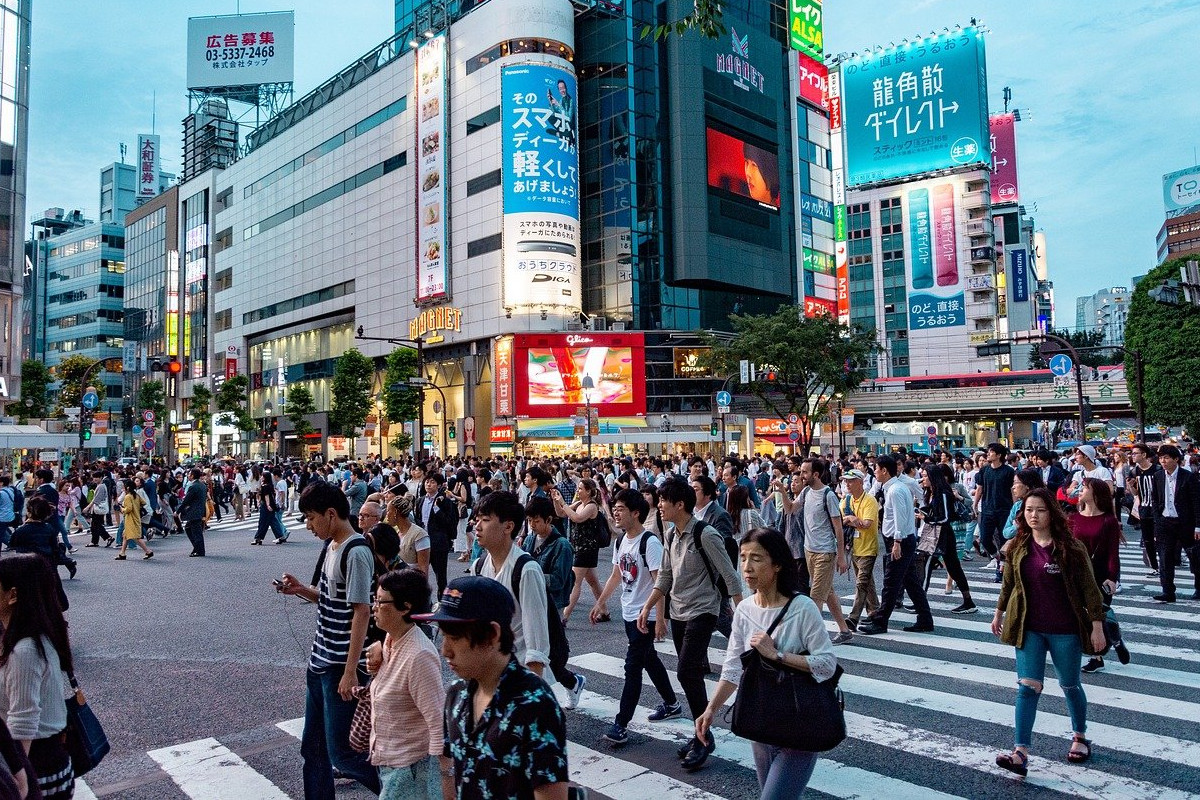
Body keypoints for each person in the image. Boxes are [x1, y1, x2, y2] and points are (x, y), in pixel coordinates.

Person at [695, 528, 836, 799]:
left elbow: (827, 664)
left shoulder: (802, 608)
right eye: (743, 558)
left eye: (756, 558)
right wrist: (711, 710)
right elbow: (733, 668)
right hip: (762, 721)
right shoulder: (745, 610)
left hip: (800, 724)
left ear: (777, 564)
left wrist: (776, 655)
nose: (747, 567)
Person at [413, 576, 571, 800]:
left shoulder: (535, 704)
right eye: (444, 636)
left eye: (455, 638)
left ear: (492, 635)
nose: (445, 650)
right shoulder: (456, 693)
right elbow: (450, 763)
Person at [276, 481, 381, 798]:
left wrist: (350, 672)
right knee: (313, 749)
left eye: (311, 518)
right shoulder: (332, 546)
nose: (309, 526)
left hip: (339, 666)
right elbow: (330, 598)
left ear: (331, 514)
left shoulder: (356, 551)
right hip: (319, 661)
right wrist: (301, 590)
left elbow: (361, 611)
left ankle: (399, 791)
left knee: (343, 753)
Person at [992, 488, 1106, 777]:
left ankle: (1080, 736)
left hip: (1065, 629)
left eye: (1040, 510)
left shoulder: (1071, 547)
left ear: (1052, 513)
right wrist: (999, 612)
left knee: (1070, 685)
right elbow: (1009, 583)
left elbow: (1090, 588)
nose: (1034, 515)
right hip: (1029, 627)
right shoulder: (1018, 545)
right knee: (1027, 687)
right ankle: (1020, 752)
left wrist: (1097, 626)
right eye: (1029, 510)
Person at [637, 479, 743, 772]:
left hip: (703, 609)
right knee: (689, 675)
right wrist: (648, 607)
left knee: (686, 671)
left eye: (663, 501)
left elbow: (729, 575)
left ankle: (703, 737)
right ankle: (701, 733)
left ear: (680, 504)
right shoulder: (671, 534)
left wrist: (744, 613)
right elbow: (665, 577)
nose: (659, 505)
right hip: (679, 611)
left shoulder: (705, 534)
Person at [470, 490, 587, 710]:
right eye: (477, 519)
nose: (477, 526)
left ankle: (571, 684)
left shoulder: (526, 570)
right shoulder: (479, 566)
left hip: (519, 671)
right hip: (493, 669)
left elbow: (537, 642)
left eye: (485, 520)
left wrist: (531, 702)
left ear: (508, 526)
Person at [591, 489, 679, 745]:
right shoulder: (621, 541)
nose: (615, 513)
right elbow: (616, 575)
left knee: (633, 667)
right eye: (615, 509)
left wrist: (660, 619)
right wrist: (600, 602)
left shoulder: (649, 543)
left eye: (620, 509)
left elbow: (660, 583)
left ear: (636, 513)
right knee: (649, 659)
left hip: (645, 615)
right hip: (629, 612)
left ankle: (621, 724)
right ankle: (672, 704)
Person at [363, 569, 444, 800]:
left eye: (381, 602)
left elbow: (437, 721)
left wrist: (441, 778)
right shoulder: (391, 639)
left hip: (411, 769)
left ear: (405, 607)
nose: (374, 607)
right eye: (374, 599)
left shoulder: (419, 655)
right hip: (390, 761)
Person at [0, 554, 75, 799]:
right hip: (41, 759)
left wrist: (18, 780)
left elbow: (23, 720)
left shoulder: (25, 650)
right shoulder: (29, 636)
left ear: (12, 595)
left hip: (36, 768)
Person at [858, 455, 933, 635]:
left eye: (876, 469)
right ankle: (925, 619)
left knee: (891, 582)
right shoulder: (892, 488)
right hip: (901, 540)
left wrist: (897, 542)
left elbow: (900, 517)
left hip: (900, 540)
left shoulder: (895, 490)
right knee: (911, 582)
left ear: (884, 470)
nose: (874, 472)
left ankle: (881, 621)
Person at [1072, 478, 1127, 673]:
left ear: (1096, 493)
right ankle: (1113, 637)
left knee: (1097, 613)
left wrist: (1112, 577)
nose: (1080, 490)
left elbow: (1113, 553)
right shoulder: (1073, 518)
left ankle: (1098, 656)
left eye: (1085, 487)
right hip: (1078, 574)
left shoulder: (1108, 520)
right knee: (1082, 614)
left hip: (1101, 574)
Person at [918, 465, 974, 614]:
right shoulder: (932, 492)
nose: (923, 479)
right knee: (953, 567)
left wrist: (927, 518)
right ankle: (968, 601)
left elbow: (945, 518)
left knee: (928, 565)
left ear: (933, 478)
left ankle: (920, 602)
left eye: (925, 476)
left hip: (942, 534)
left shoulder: (942, 493)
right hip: (939, 533)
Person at [1149, 444, 1200, 603]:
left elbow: (1197, 502)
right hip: (1165, 522)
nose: (1163, 461)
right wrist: (1158, 521)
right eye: (1161, 458)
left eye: (1166, 458)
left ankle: (1199, 587)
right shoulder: (1158, 476)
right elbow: (1155, 499)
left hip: (1185, 523)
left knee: (1195, 556)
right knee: (1165, 558)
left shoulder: (1188, 477)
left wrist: (1198, 526)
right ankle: (1168, 591)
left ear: (1176, 459)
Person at [552, 478, 605, 626]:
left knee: (575, 581)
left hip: (587, 549)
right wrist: (556, 500)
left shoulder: (591, 506)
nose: (578, 491)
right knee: (593, 581)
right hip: (578, 548)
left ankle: (564, 617)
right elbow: (561, 514)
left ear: (588, 491)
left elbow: (577, 518)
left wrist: (563, 502)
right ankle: (604, 611)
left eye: (580, 488)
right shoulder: (579, 504)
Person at [840, 469, 879, 630]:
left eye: (851, 481)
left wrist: (850, 520)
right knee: (867, 582)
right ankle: (874, 611)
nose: (847, 484)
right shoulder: (846, 500)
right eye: (846, 481)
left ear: (860, 482)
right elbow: (840, 521)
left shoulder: (870, 500)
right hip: (854, 547)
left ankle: (853, 617)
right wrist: (852, 518)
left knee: (861, 583)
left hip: (868, 548)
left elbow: (867, 524)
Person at [522, 496, 575, 616]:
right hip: (531, 599)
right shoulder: (529, 539)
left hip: (552, 603)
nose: (532, 525)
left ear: (548, 520)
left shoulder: (562, 546)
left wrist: (531, 575)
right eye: (529, 520)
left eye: (536, 521)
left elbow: (558, 581)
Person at [974, 443, 1015, 569]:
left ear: (999, 455)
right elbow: (980, 489)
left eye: (991, 452)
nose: (988, 454)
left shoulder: (1008, 471)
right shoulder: (984, 470)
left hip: (1004, 509)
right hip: (987, 509)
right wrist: (975, 504)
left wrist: (1015, 508)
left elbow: (1012, 490)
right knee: (984, 538)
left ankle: (1003, 563)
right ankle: (996, 556)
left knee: (1004, 537)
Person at [416, 473, 458, 594]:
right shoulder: (420, 501)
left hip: (438, 542)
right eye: (427, 482)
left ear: (439, 485)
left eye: (432, 482)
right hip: (422, 542)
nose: (429, 484)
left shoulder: (445, 502)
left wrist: (436, 508)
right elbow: (418, 518)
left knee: (441, 576)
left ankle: (442, 599)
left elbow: (448, 522)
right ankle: (423, 600)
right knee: (420, 575)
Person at [1128, 443, 1161, 573]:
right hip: (1144, 509)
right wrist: (1131, 486)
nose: (1132, 456)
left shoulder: (1157, 470)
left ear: (1144, 455)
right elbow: (1135, 493)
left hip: (1158, 509)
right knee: (1148, 540)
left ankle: (1165, 564)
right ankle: (1154, 567)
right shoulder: (1134, 471)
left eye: (1135, 453)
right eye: (1132, 453)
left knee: (1160, 538)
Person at [385, 496, 431, 576]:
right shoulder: (396, 532)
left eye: (388, 511)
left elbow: (423, 569)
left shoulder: (419, 535)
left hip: (411, 580)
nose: (386, 515)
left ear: (395, 512)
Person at [114, 479, 153, 561]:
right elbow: (143, 502)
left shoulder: (128, 497)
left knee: (136, 537)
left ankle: (148, 551)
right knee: (125, 535)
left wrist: (122, 509)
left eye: (124, 487)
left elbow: (128, 509)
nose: (123, 489)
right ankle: (122, 553)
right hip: (136, 517)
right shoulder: (136, 495)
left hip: (130, 519)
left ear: (128, 488)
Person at [82, 471, 114, 548]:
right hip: (98, 508)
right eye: (94, 477)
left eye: (97, 477)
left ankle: (108, 537)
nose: (95, 479)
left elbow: (96, 499)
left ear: (101, 478)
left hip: (98, 508)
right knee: (94, 525)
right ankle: (94, 541)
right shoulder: (100, 486)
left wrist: (88, 507)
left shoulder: (101, 486)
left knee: (96, 525)